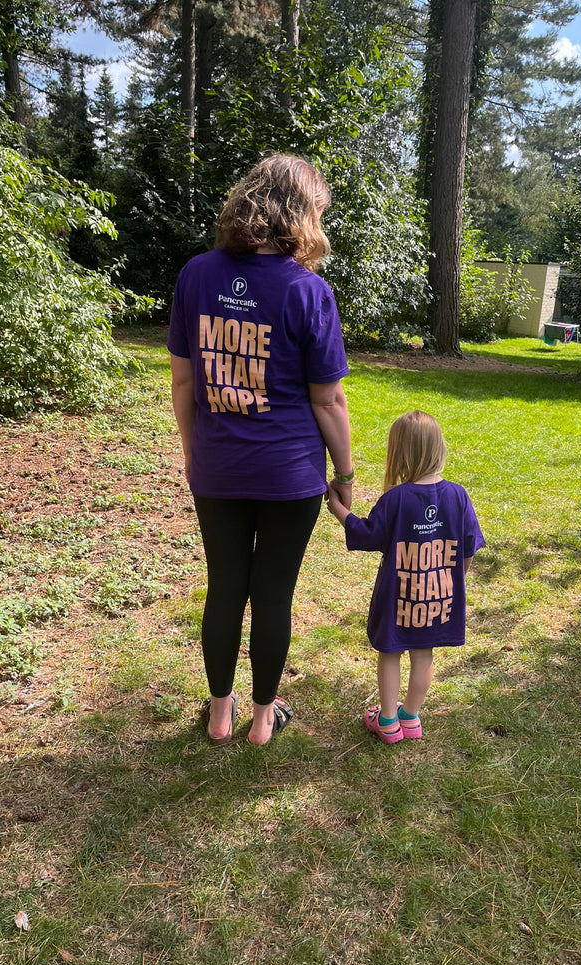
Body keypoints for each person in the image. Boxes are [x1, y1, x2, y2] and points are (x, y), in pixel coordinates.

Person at [168, 155, 353, 745]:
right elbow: (329, 402)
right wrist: (345, 472)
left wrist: (195, 453)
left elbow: (183, 381)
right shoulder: (309, 291)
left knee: (225, 585)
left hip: (218, 466)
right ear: (300, 214)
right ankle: (263, 719)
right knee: (273, 593)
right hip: (290, 474)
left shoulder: (196, 275)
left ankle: (220, 713)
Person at [327, 411, 484, 744]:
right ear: (439, 448)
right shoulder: (458, 496)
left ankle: (387, 721)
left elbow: (366, 534)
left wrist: (336, 506)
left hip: (398, 598)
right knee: (424, 652)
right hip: (437, 598)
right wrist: (456, 580)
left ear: (399, 455)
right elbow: (469, 546)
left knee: (390, 652)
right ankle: (410, 717)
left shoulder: (396, 500)